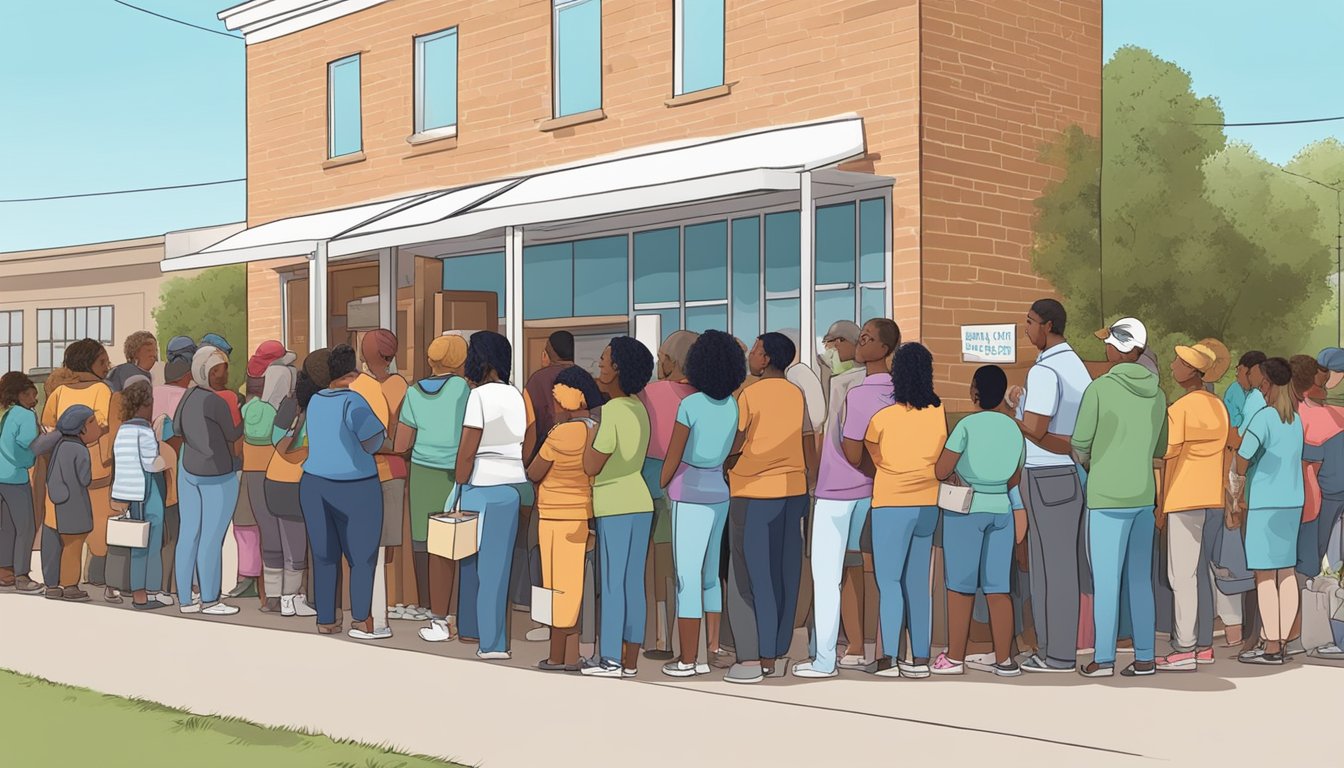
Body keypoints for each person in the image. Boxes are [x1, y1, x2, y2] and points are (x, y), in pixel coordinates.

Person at [794, 319, 899, 679]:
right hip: (878, 492)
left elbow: (847, 447)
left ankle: (824, 659)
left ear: (884, 349)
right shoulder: (902, 392)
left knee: (826, 576)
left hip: (837, 489)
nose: (862, 340)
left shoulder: (852, 390)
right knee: (883, 575)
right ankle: (887, 654)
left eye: (868, 337)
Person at [1072, 330, 1170, 678]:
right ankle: (1145, 657)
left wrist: (1092, 461)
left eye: (1110, 342)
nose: (1106, 347)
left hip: (1106, 498)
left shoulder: (1099, 389)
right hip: (1143, 496)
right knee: (1140, 579)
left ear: (1121, 349)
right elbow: (1160, 449)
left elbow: (1080, 443)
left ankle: (1103, 658)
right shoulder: (1157, 395)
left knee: (1106, 580)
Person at [723, 332, 816, 684]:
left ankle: (759, 659)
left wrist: (724, 463)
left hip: (753, 492)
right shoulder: (797, 394)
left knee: (753, 575)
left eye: (757, 350)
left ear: (766, 359)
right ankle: (777, 650)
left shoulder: (750, 394)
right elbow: (809, 443)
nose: (752, 356)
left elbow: (737, 440)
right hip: (794, 492)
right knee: (785, 573)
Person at [1008, 299, 1092, 673]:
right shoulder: (1076, 367)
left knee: (1049, 568)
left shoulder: (1045, 371)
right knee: (1061, 565)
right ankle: (1052, 648)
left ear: (1048, 326)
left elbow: (1038, 429)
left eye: (1030, 322)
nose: (1026, 329)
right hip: (1070, 474)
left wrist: (1013, 411)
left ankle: (1056, 653)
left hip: (1045, 474)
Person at [659, 330, 747, 677]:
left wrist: (662, 482)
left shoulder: (690, 405)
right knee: (711, 576)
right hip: (719, 491)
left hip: (689, 492)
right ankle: (712, 648)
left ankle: (687, 659)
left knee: (687, 577)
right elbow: (733, 449)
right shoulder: (732, 406)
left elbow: (673, 455)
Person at [930, 365, 1025, 677]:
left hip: (966, 510)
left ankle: (955, 656)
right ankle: (1004, 659)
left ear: (975, 392)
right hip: (1001, 510)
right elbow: (1014, 477)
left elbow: (941, 470)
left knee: (960, 586)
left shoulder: (967, 426)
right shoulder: (1014, 428)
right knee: (999, 588)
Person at [859, 342, 946, 679]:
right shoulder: (938, 413)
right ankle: (921, 657)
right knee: (917, 582)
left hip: (891, 502)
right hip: (928, 502)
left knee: (889, 580)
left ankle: (890, 657)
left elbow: (872, 456)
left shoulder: (882, 418)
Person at [1153, 340, 1233, 672]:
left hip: (1184, 496)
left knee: (1181, 574)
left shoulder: (1180, 409)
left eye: (1178, 362)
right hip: (1211, 496)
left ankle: (1184, 647)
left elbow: (1165, 452)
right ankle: (1203, 645)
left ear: (1191, 371)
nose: (1173, 366)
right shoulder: (1218, 406)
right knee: (1201, 572)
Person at [580, 336, 656, 678]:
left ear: (618, 369)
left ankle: (608, 659)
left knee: (611, 582)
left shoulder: (610, 412)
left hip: (614, 502)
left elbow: (592, 464)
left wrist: (588, 429)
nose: (600, 364)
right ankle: (629, 661)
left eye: (605, 359)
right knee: (632, 584)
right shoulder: (639, 408)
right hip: (639, 500)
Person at [301, 344, 389, 640]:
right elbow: (373, 441)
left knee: (324, 555)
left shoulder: (315, 401)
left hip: (314, 483)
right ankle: (362, 620)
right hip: (356, 486)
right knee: (362, 557)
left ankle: (326, 618)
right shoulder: (354, 403)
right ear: (350, 372)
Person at [455, 331, 528, 660]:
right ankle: (491, 639)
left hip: (479, 485)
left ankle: (479, 636)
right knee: (497, 570)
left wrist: (458, 484)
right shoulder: (515, 395)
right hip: (511, 487)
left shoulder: (478, 397)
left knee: (471, 564)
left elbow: (468, 448)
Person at [1229, 357, 1304, 665]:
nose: (1261, 390)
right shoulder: (1295, 420)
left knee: (1263, 575)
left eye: (1262, 385)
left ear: (1270, 385)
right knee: (1286, 573)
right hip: (1292, 502)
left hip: (1265, 503)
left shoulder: (1264, 418)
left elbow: (1243, 456)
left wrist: (1238, 484)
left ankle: (1271, 644)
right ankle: (1283, 640)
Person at [529, 366, 603, 672]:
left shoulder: (559, 434)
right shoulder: (593, 431)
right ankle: (565, 654)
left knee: (555, 587)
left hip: (553, 515)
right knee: (574, 587)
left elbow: (534, 471)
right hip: (581, 515)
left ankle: (562, 655)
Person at [400, 334, 471, 641]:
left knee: (422, 540)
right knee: (456, 540)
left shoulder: (413, 392)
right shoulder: (464, 390)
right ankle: (454, 609)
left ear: (430, 360)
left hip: (422, 470)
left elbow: (402, 441)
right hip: (457, 471)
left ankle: (432, 608)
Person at [638, 330, 698, 661]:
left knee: (654, 566)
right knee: (682, 567)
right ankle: (684, 638)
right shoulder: (703, 397)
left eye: (662, 358)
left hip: (649, 481)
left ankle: (657, 637)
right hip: (688, 484)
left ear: (671, 362)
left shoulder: (649, 393)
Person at [41, 339, 115, 602]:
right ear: (88, 364)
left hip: (59, 474)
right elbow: (105, 425)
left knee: (55, 526)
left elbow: (47, 425)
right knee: (91, 528)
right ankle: (88, 578)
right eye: (102, 362)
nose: (107, 367)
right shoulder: (102, 390)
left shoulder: (59, 393)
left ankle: (54, 581)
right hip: (96, 473)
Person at [174, 346, 244, 616]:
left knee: (189, 535)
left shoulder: (188, 396)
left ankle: (185, 599)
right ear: (208, 371)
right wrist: (243, 411)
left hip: (188, 468)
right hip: (217, 472)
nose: (224, 374)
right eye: (219, 369)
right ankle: (211, 599)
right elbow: (233, 432)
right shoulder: (216, 401)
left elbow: (177, 427)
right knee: (212, 538)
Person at [349, 329, 406, 637]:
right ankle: (380, 613)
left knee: (371, 549)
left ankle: (376, 615)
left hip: (367, 472)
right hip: (390, 471)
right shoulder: (399, 385)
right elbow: (398, 438)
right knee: (381, 550)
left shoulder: (360, 386)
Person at [232, 341, 293, 601]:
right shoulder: (281, 388)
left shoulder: (248, 395)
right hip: (274, 466)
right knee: (274, 527)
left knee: (247, 522)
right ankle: (275, 590)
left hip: (249, 465)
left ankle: (251, 578)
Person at [247, 356, 303, 612]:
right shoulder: (289, 407)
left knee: (269, 538)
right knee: (293, 541)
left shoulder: (253, 407)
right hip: (284, 474)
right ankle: (289, 597)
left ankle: (270, 597)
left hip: (254, 474)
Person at [111, 381, 171, 611]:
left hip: (129, 493)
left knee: (137, 544)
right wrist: (165, 460)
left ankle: (139, 591)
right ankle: (147, 593)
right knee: (151, 543)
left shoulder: (123, 430)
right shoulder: (144, 432)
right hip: (148, 491)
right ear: (146, 404)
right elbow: (152, 464)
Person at [264, 370, 318, 618]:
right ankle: (291, 600)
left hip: (273, 479)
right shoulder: (317, 409)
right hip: (295, 483)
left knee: (276, 543)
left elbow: (275, 438)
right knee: (296, 546)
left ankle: (273, 597)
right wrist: (305, 452)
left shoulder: (288, 404)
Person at [34, 405, 97, 601]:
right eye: (92, 422)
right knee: (73, 546)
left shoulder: (59, 445)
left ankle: (52, 585)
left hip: (54, 504)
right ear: (81, 428)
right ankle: (70, 586)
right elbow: (85, 479)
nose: (97, 426)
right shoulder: (80, 450)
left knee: (52, 546)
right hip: (73, 506)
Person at [153, 353, 193, 602]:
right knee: (178, 533)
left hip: (154, 467)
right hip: (178, 471)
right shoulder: (185, 397)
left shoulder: (155, 393)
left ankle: (159, 584)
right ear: (186, 376)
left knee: (161, 533)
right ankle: (174, 586)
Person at [0, 372, 40, 593]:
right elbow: (25, 445)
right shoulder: (26, 415)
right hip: (16, 477)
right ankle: (22, 575)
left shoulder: (8, 414)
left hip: (1, 475)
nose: (34, 399)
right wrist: (31, 459)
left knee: (6, 527)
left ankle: (5, 572)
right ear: (18, 394)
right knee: (26, 527)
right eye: (29, 394)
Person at [1225, 351, 1269, 438]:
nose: (1237, 375)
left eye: (1240, 370)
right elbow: (1231, 424)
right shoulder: (1235, 390)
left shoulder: (1258, 394)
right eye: (1237, 370)